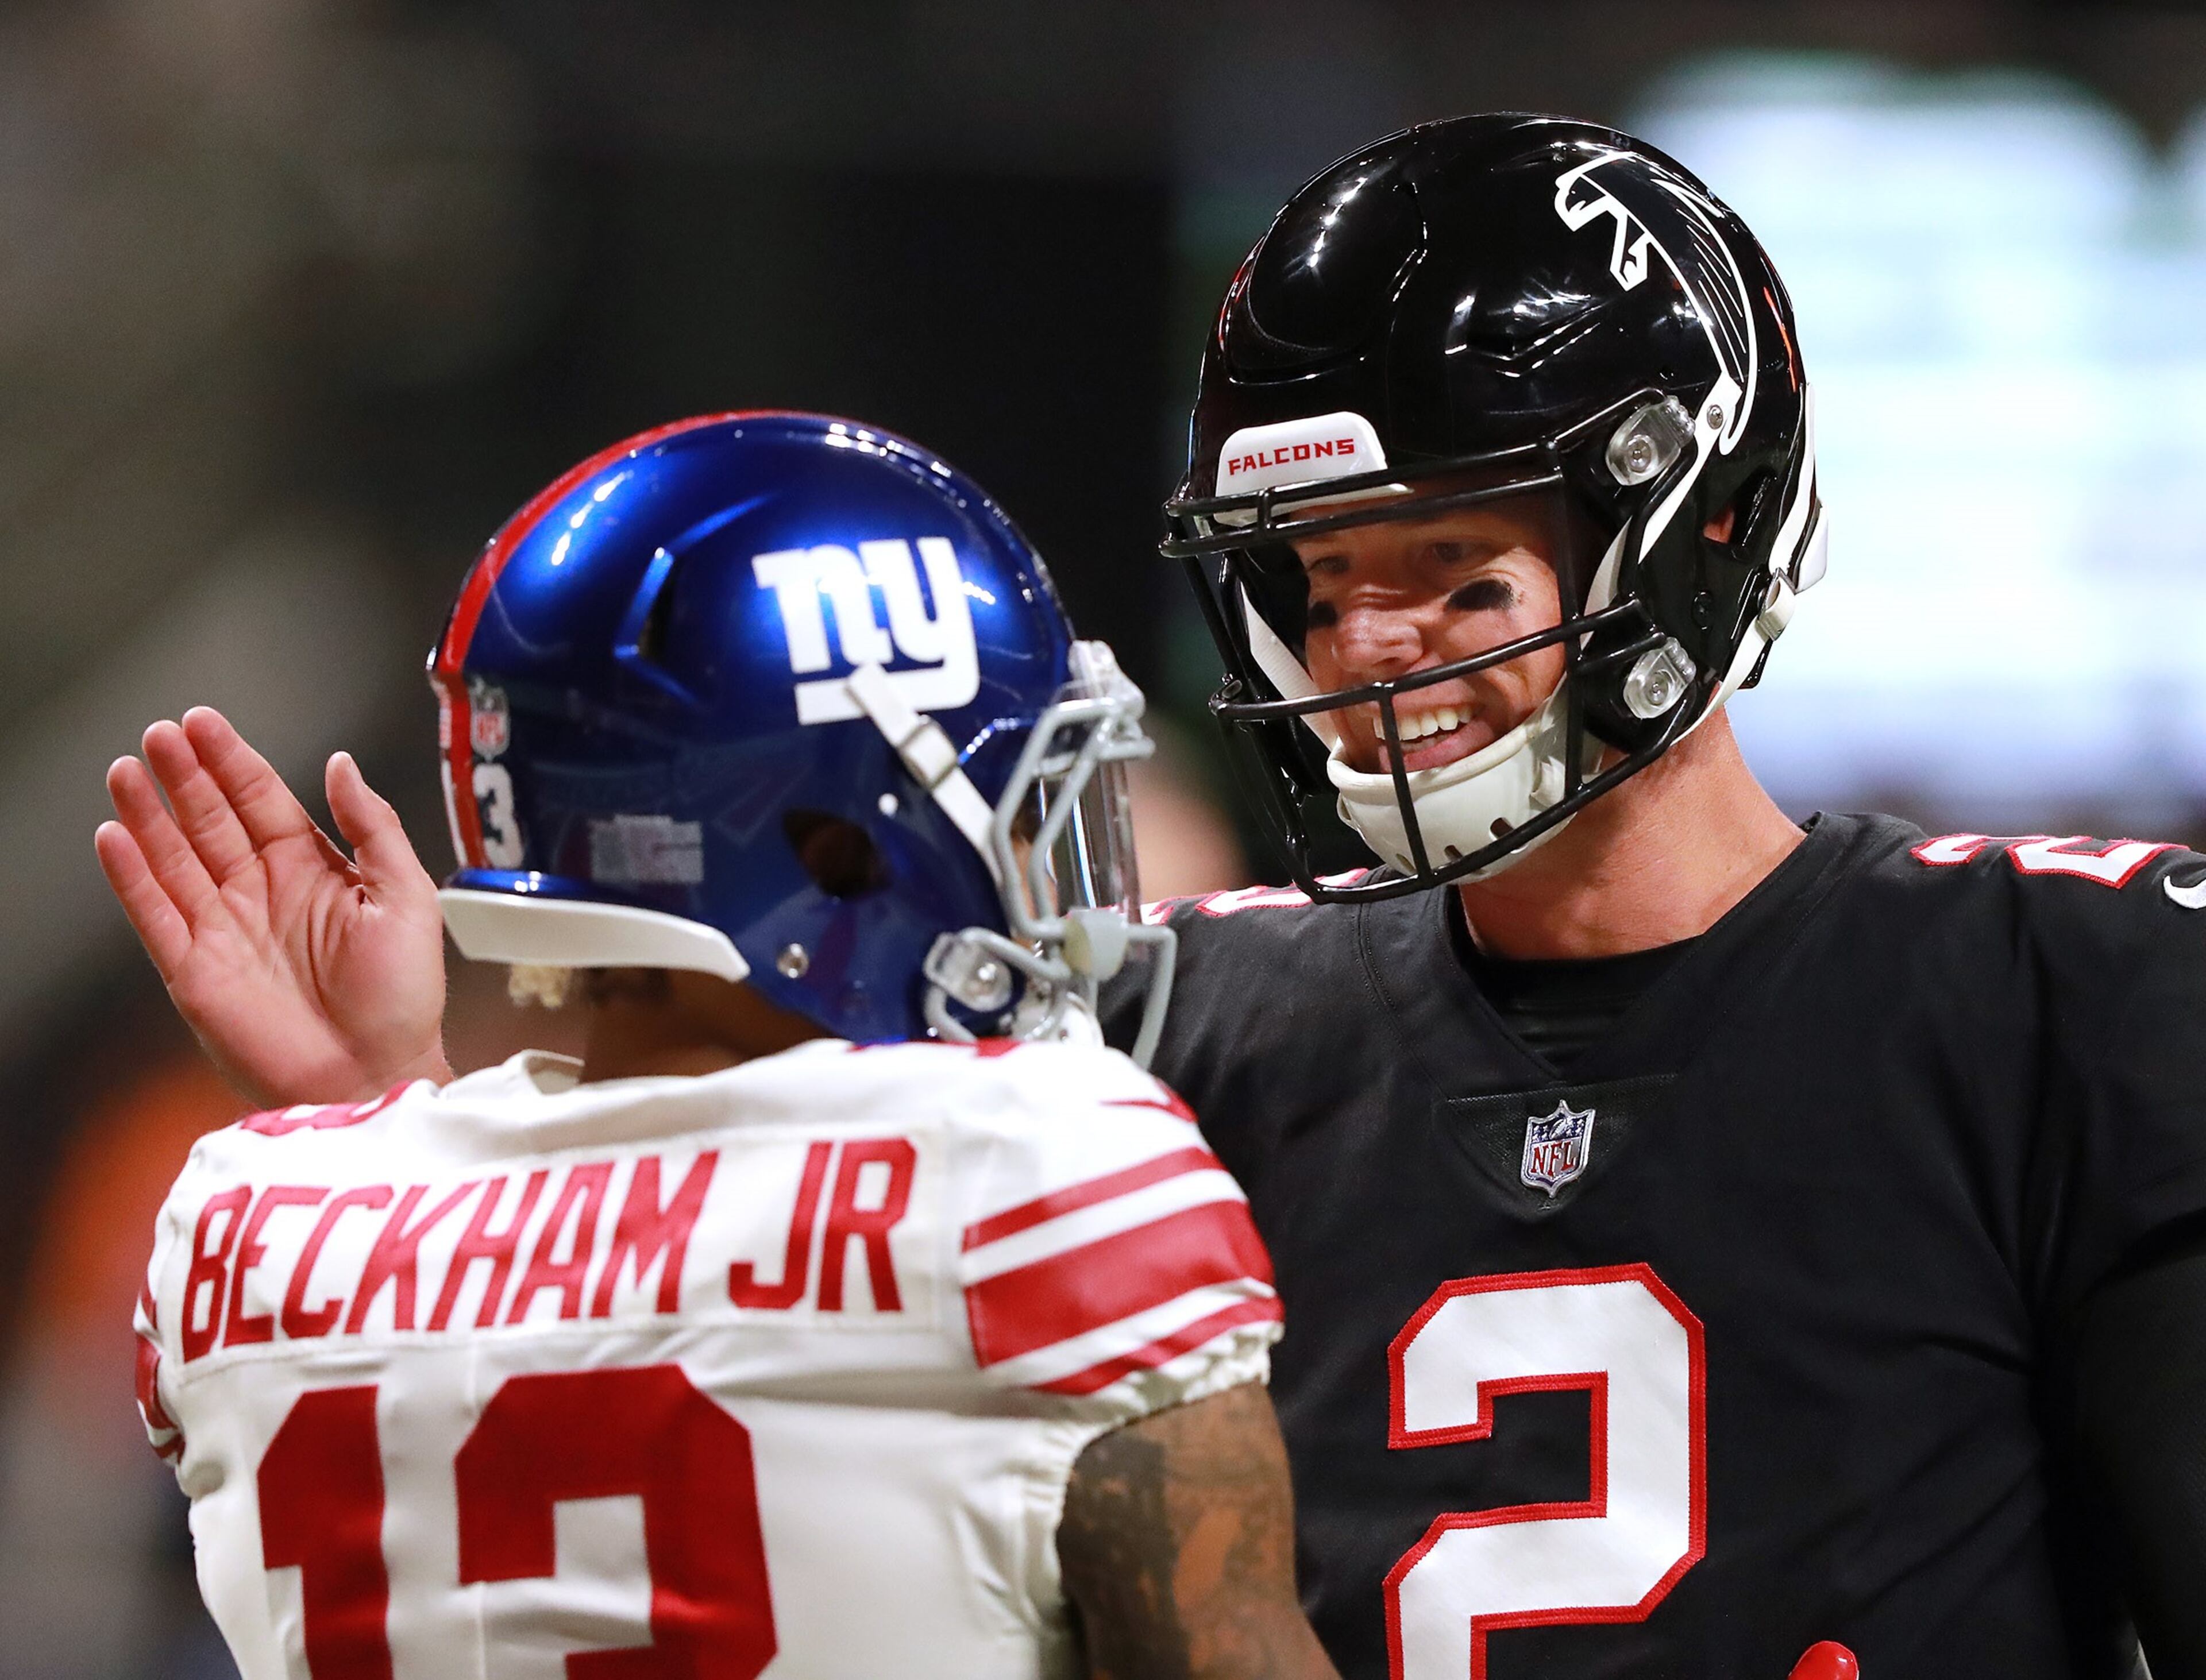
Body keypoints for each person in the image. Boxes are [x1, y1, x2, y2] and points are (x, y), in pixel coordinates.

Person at [1127, 113, 2206, 1678]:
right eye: (1322, 576)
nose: (1366, 642)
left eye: (1453, 565)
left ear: (1700, 531)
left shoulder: (2061, 994)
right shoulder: (1176, 1032)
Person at [105, 412, 1337, 1679]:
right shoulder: (1040, 1178)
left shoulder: (242, 1229)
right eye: (1014, 792)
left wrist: (380, 1101)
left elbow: (543, 1366)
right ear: (836, 847)